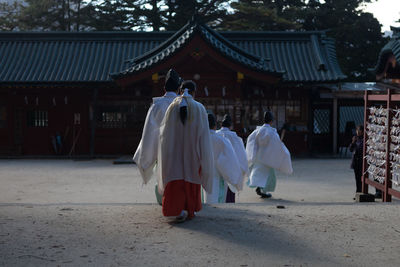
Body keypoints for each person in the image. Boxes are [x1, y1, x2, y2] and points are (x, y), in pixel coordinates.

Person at [158, 80, 214, 222]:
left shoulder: (172, 107)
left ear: (180, 90)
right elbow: (204, 137)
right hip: (192, 155)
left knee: (175, 177)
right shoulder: (199, 108)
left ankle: (176, 209)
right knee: (191, 176)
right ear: (194, 92)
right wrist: (204, 157)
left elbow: (164, 135)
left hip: (173, 154)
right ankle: (189, 209)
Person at [133, 69, 181, 204]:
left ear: (164, 87)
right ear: (179, 88)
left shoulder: (157, 106)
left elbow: (149, 133)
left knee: (162, 177)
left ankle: (165, 203)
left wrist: (146, 157)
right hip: (180, 151)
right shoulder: (182, 104)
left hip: (162, 151)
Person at [246, 111, 293, 198]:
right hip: (268, 157)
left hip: (259, 156)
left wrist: (252, 155)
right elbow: (278, 145)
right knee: (267, 175)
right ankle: (262, 190)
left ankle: (260, 188)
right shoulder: (272, 133)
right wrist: (285, 153)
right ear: (272, 121)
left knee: (258, 173)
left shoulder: (257, 131)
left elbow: (251, 142)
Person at [206, 113, 242, 204]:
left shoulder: (200, 139)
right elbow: (230, 159)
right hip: (218, 172)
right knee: (218, 194)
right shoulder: (222, 139)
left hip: (203, 172)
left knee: (206, 195)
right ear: (215, 125)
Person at [216, 114, 248, 203]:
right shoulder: (235, 137)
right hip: (230, 167)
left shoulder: (215, 134)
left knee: (217, 188)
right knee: (229, 186)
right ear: (231, 125)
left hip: (215, 168)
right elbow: (241, 155)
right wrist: (242, 169)